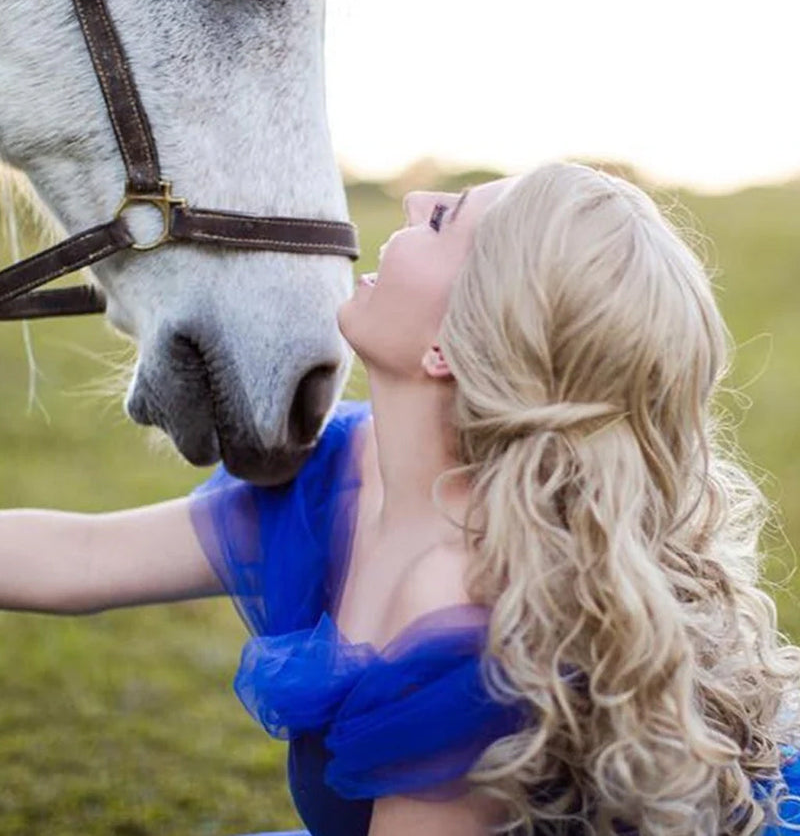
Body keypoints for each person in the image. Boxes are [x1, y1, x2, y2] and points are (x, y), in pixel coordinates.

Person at [1, 161, 800, 836]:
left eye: (444, 218)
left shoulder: (463, 613)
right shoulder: (346, 468)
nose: (415, 202)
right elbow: (86, 554)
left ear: (453, 343)